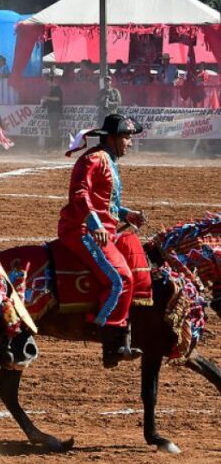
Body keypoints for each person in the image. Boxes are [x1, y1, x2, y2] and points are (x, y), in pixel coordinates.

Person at [60, 113, 148, 367]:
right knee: (120, 279)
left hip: (101, 229)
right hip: (81, 230)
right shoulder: (92, 160)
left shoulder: (108, 160)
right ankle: (107, 337)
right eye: (126, 137)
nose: (130, 143)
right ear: (111, 138)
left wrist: (126, 213)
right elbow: (79, 193)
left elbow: (107, 204)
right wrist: (94, 224)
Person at [41, 72, 64, 152]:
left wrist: (47, 98)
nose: (48, 84)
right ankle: (55, 146)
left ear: (51, 81)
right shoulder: (52, 89)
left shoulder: (57, 88)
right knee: (53, 129)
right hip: (52, 111)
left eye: (48, 82)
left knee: (54, 129)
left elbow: (57, 99)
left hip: (55, 111)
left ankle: (57, 146)